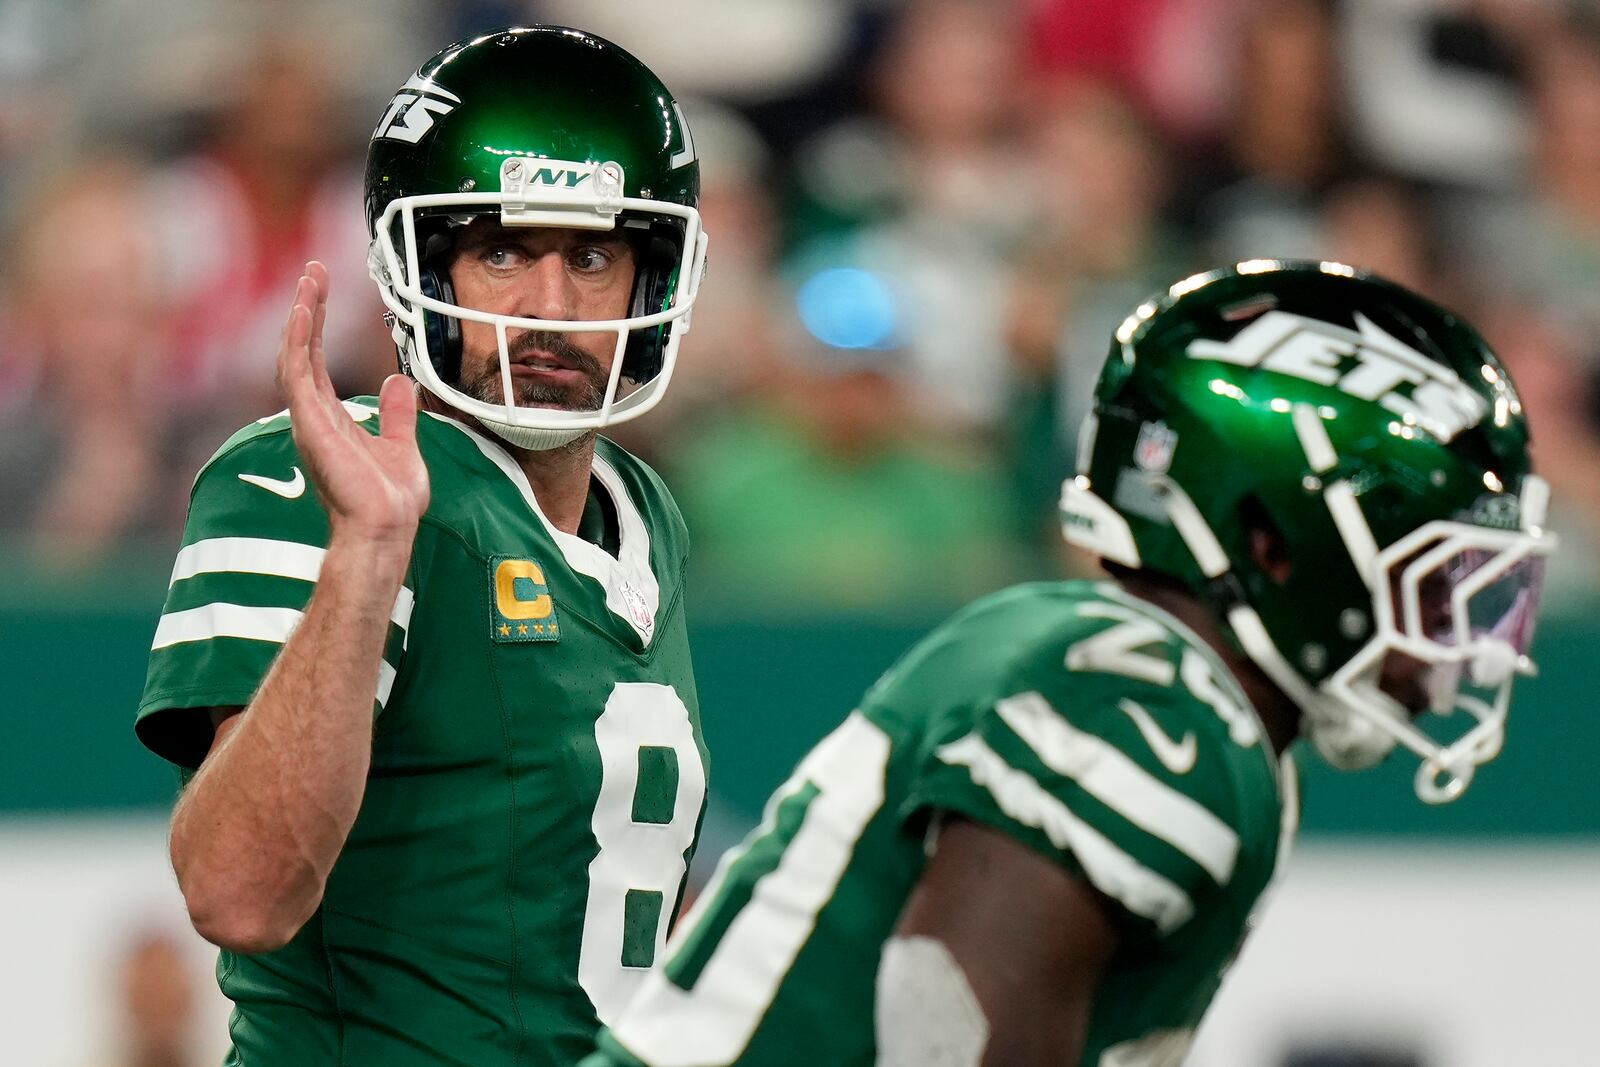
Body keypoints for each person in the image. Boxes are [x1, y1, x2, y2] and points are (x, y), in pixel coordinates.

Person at [581, 261, 1556, 1067]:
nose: (1458, 631)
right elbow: (943, 1023)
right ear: (1273, 541)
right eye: (1435, 574)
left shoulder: (1132, 673)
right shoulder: (1143, 701)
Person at [134, 26, 711, 1065]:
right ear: (418, 261)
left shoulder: (644, 509)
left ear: (652, 275)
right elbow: (238, 890)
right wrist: (367, 548)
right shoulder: (319, 473)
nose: (550, 308)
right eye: (500, 252)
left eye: (591, 256)